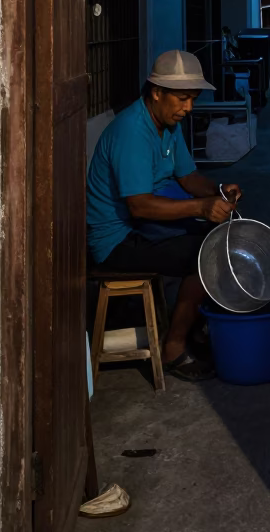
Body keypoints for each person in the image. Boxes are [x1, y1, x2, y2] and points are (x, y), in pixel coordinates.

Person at [87, 49, 242, 381]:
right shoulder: (132, 131)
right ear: (156, 93)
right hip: (117, 239)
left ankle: (193, 323)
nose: (189, 108)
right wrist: (201, 207)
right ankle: (174, 346)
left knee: (220, 237)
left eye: (193, 99)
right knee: (206, 255)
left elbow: (188, 178)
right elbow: (139, 206)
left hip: (145, 226)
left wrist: (217, 191)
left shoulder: (167, 124)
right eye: (182, 99)